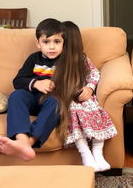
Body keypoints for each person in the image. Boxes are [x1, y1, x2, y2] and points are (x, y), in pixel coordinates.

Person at [50, 21, 117, 172]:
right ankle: (85, 153)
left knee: (94, 109)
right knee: (73, 112)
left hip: (82, 95)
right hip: (65, 99)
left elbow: (95, 73)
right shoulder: (53, 60)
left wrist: (89, 88)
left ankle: (97, 152)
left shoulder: (81, 58)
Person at [0, 18, 64, 161]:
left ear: (63, 43)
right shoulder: (34, 59)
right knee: (16, 95)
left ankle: (28, 144)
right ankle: (21, 140)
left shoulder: (66, 60)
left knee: (57, 104)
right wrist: (36, 84)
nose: (51, 47)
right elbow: (18, 81)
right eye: (46, 42)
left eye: (57, 42)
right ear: (38, 43)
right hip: (32, 98)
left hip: (51, 101)